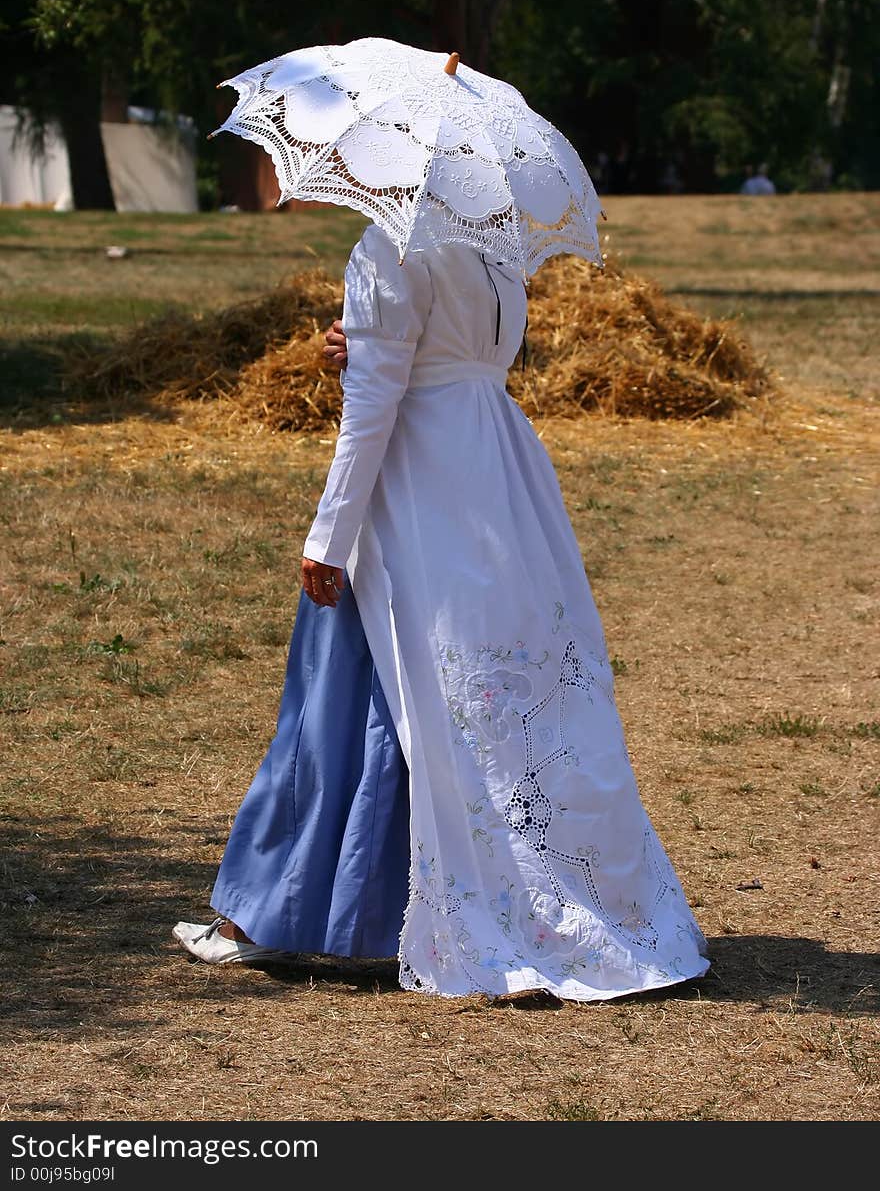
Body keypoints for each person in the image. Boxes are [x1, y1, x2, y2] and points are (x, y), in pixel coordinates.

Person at [174, 224, 709, 1000]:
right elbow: (451, 361)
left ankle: (274, 913)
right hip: (500, 475)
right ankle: (389, 908)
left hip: (418, 487)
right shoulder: (497, 250)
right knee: (488, 698)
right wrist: (362, 343)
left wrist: (330, 531)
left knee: (358, 688)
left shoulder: (388, 246)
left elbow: (375, 402)